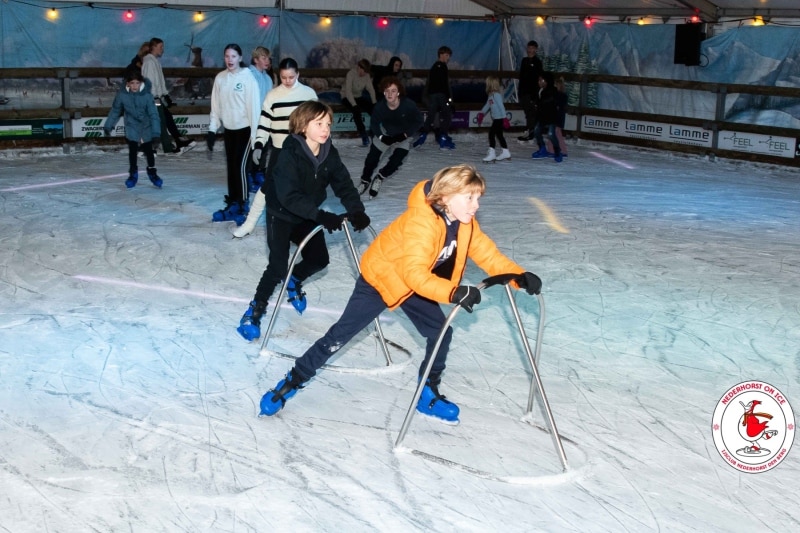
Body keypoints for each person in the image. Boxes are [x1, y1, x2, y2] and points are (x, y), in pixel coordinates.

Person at [257, 164, 543, 423]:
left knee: (441, 332)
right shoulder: (421, 223)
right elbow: (414, 274)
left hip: (416, 283)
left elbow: (488, 254)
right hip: (382, 279)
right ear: (445, 197)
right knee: (340, 335)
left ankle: (427, 393)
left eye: (478, 198)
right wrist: (452, 292)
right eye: (470, 197)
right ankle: (292, 381)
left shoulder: (465, 224)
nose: (476, 205)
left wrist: (518, 276)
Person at [237, 101, 371, 342]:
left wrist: (356, 210)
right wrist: (321, 216)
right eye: (319, 123)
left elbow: (343, 184)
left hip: (307, 215)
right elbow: (289, 196)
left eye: (328, 124)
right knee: (277, 267)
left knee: (320, 259)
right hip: (281, 214)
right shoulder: (287, 154)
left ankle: (295, 279)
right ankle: (254, 310)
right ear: (302, 125)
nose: (325, 129)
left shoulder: (329, 153)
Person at [232, 58, 318, 239]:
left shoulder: (308, 94)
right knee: (267, 187)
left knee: (302, 188)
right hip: (279, 150)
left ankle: (302, 227)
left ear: (298, 74)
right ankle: (249, 224)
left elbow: (317, 124)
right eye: (283, 77)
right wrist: (258, 145)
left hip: (302, 151)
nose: (287, 81)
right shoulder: (272, 95)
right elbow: (264, 123)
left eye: (291, 77)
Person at [206, 44, 262, 224]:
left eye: (233, 56)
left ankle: (243, 204)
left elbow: (254, 109)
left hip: (245, 131)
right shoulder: (220, 79)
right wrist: (212, 130)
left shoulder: (248, 78)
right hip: (229, 131)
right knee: (231, 168)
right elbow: (216, 107)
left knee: (240, 168)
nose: (230, 60)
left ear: (240, 58)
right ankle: (233, 203)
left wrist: (256, 138)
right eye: (227, 56)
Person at [356, 76, 423, 198]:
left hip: (403, 136)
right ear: (383, 92)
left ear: (398, 92)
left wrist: (405, 134)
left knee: (396, 162)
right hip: (385, 133)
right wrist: (381, 137)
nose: (389, 93)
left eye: (393, 90)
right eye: (387, 90)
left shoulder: (408, 105)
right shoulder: (380, 107)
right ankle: (365, 181)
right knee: (371, 159)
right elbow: (374, 124)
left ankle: (380, 177)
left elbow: (419, 121)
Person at [103, 70, 163, 189]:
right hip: (132, 124)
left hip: (146, 125)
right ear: (128, 84)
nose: (135, 86)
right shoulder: (122, 95)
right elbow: (115, 110)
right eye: (132, 83)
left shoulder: (147, 96)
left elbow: (153, 115)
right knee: (133, 148)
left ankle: (152, 172)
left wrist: (156, 133)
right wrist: (108, 126)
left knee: (148, 149)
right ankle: (133, 174)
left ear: (141, 83)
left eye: (137, 83)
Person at [141, 37, 195, 154]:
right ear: (153, 47)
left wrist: (165, 95)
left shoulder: (154, 61)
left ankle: (176, 142)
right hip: (153, 98)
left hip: (156, 97)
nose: (163, 49)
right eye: (161, 47)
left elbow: (159, 81)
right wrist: (156, 96)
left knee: (166, 117)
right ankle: (166, 147)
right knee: (162, 121)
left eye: (163, 47)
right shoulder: (150, 62)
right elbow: (150, 81)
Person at [413, 46, 455, 150]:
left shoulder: (433, 67)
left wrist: (429, 96)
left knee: (431, 116)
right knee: (447, 115)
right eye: (446, 55)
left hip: (432, 96)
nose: (448, 58)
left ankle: (421, 138)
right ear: (441, 55)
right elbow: (444, 85)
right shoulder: (442, 67)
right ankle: (443, 139)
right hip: (440, 95)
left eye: (449, 55)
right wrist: (449, 99)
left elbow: (430, 83)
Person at [246, 46, 275, 194]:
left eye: (268, 58)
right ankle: (249, 175)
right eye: (263, 58)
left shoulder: (268, 78)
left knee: (263, 147)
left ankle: (259, 172)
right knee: (251, 149)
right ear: (256, 59)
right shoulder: (248, 75)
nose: (267, 61)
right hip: (250, 121)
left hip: (265, 121)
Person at [340, 59, 377, 147]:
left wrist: (374, 102)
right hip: (346, 96)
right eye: (363, 71)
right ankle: (363, 134)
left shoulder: (366, 76)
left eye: (366, 72)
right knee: (356, 111)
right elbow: (348, 91)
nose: (363, 74)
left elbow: (371, 90)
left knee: (373, 110)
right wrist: (354, 104)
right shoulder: (351, 74)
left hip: (358, 96)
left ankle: (374, 131)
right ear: (359, 67)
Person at [476, 76, 511, 163]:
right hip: (497, 118)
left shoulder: (496, 95)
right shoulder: (491, 96)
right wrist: (481, 113)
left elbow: (501, 107)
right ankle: (505, 152)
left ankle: (492, 154)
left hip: (499, 119)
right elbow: (487, 106)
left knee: (491, 133)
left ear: (490, 85)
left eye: (487, 83)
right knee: (499, 135)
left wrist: (505, 118)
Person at [530, 72, 563, 163]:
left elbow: (551, 100)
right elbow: (538, 102)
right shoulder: (539, 91)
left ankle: (557, 151)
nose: (539, 82)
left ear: (547, 81)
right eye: (539, 80)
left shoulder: (553, 90)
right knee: (536, 131)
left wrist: (540, 103)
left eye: (542, 80)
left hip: (551, 117)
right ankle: (542, 148)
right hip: (542, 116)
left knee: (551, 134)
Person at [517, 40, 543, 142]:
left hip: (532, 92)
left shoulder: (537, 62)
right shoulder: (524, 61)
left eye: (532, 48)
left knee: (531, 112)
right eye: (529, 48)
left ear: (536, 49)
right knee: (528, 112)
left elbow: (539, 77)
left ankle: (531, 132)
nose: (530, 50)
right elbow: (522, 77)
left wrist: (535, 93)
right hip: (524, 91)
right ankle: (529, 130)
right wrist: (520, 91)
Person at [550, 76, 569, 158]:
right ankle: (555, 150)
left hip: (558, 118)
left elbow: (558, 107)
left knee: (554, 134)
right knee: (556, 134)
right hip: (557, 117)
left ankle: (558, 150)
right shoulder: (560, 95)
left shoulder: (560, 96)